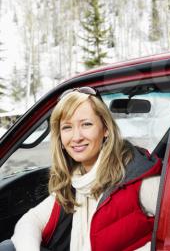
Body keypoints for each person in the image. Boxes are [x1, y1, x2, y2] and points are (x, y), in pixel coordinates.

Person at [0, 87, 161, 251]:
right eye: (67, 127)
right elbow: (30, 221)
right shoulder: (77, 179)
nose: (76, 137)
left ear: (105, 129)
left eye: (86, 124)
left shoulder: (141, 180)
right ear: (60, 138)